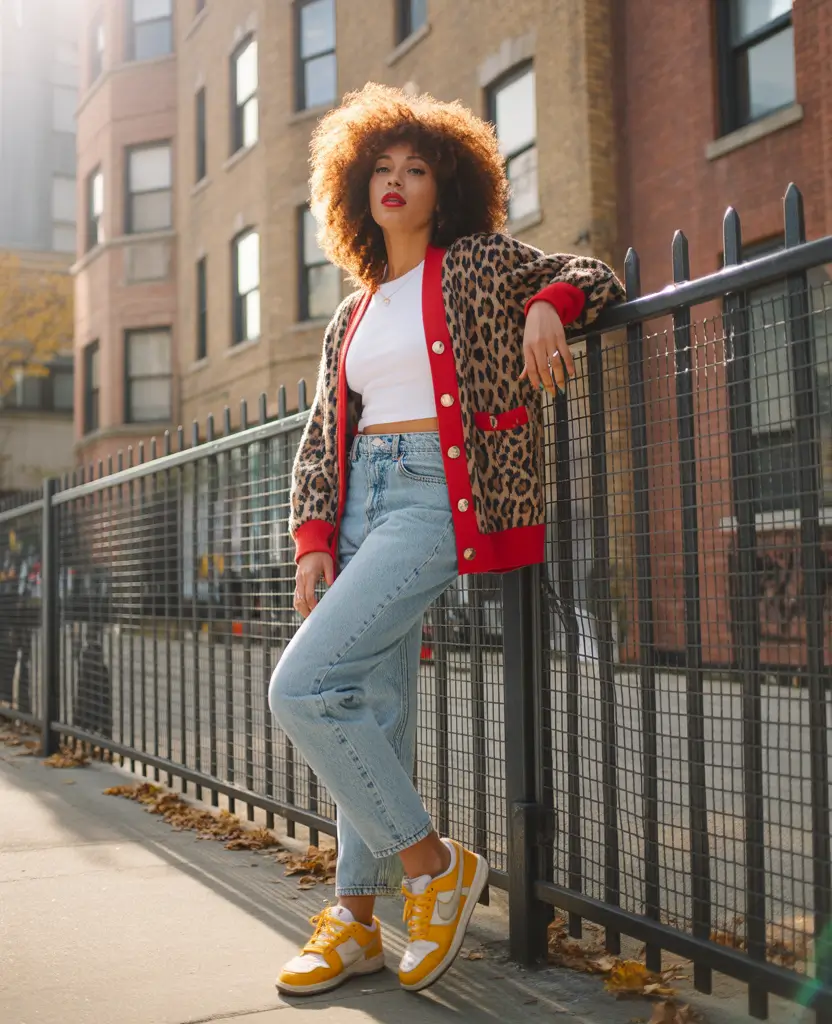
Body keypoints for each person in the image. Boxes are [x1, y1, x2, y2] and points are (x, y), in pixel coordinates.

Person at [268, 82, 623, 997]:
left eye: (416, 168)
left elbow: (593, 275)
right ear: (356, 189)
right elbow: (322, 431)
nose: (396, 181)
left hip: (436, 498)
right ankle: (354, 922)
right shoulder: (354, 310)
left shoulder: (474, 264)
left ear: (447, 185)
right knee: (367, 707)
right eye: (380, 168)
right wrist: (314, 535)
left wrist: (547, 304)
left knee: (303, 686)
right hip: (358, 508)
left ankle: (433, 869)